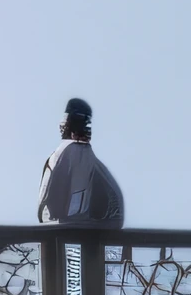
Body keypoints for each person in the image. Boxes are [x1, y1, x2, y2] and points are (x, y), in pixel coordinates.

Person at [37, 97, 125, 230]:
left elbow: (78, 199)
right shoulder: (72, 151)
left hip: (94, 226)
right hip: (90, 225)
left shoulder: (77, 151)